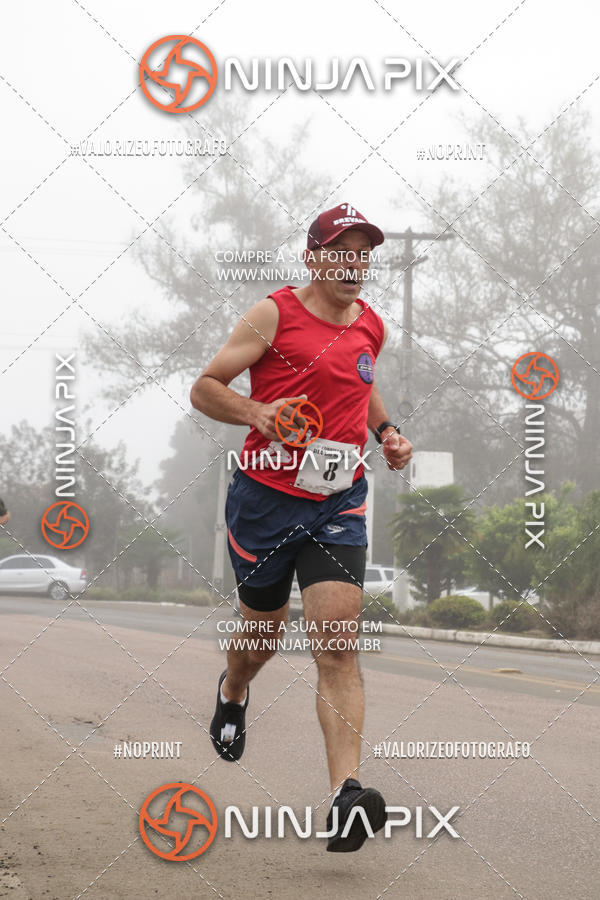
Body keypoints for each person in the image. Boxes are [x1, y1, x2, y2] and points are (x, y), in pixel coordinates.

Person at [190, 203, 412, 852]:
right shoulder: (273, 315)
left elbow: (361, 381)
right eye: (340, 253)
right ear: (313, 258)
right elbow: (205, 387)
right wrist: (258, 413)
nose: (353, 265)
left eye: (363, 254)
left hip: (337, 504)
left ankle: (347, 794)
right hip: (263, 505)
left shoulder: (372, 325)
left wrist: (387, 432)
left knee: (337, 644)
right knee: (258, 643)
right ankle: (233, 693)